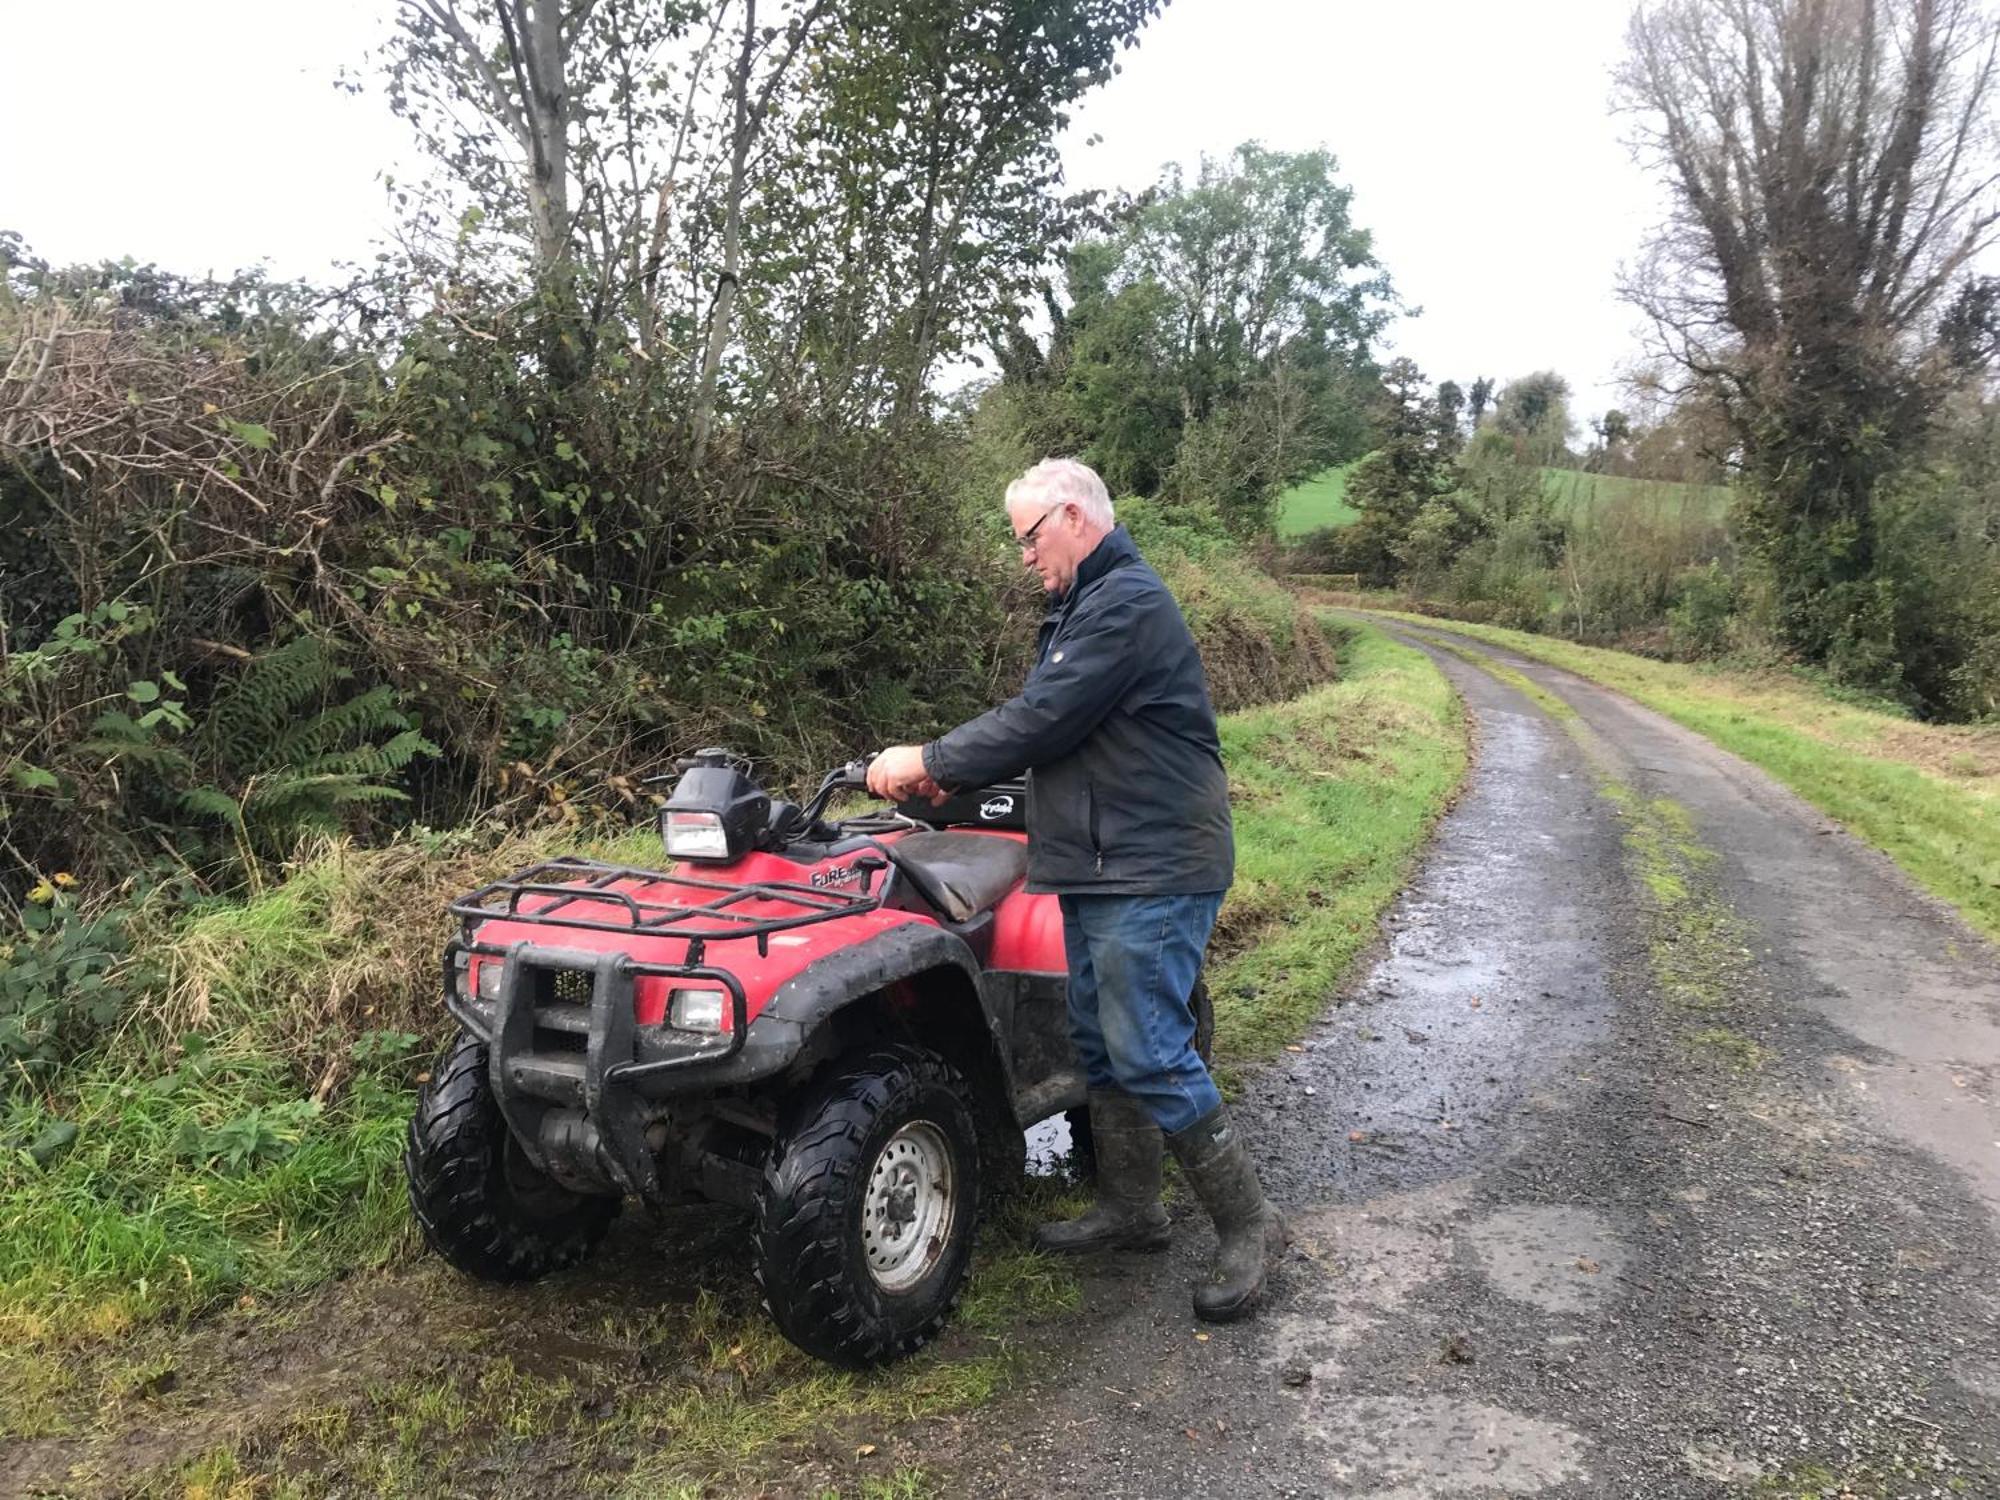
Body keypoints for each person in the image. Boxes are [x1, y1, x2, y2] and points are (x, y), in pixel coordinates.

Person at [867, 457, 1286, 1323]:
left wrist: (930, 758)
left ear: (1069, 516)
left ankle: (1251, 1227)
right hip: (1099, 861)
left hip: (1155, 864)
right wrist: (948, 789)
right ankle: (1134, 1211)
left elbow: (1043, 716)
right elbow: (1059, 737)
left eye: (1027, 537)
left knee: (1152, 1050)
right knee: (1099, 1042)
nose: (1023, 557)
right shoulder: (1080, 610)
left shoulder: (1124, 602)